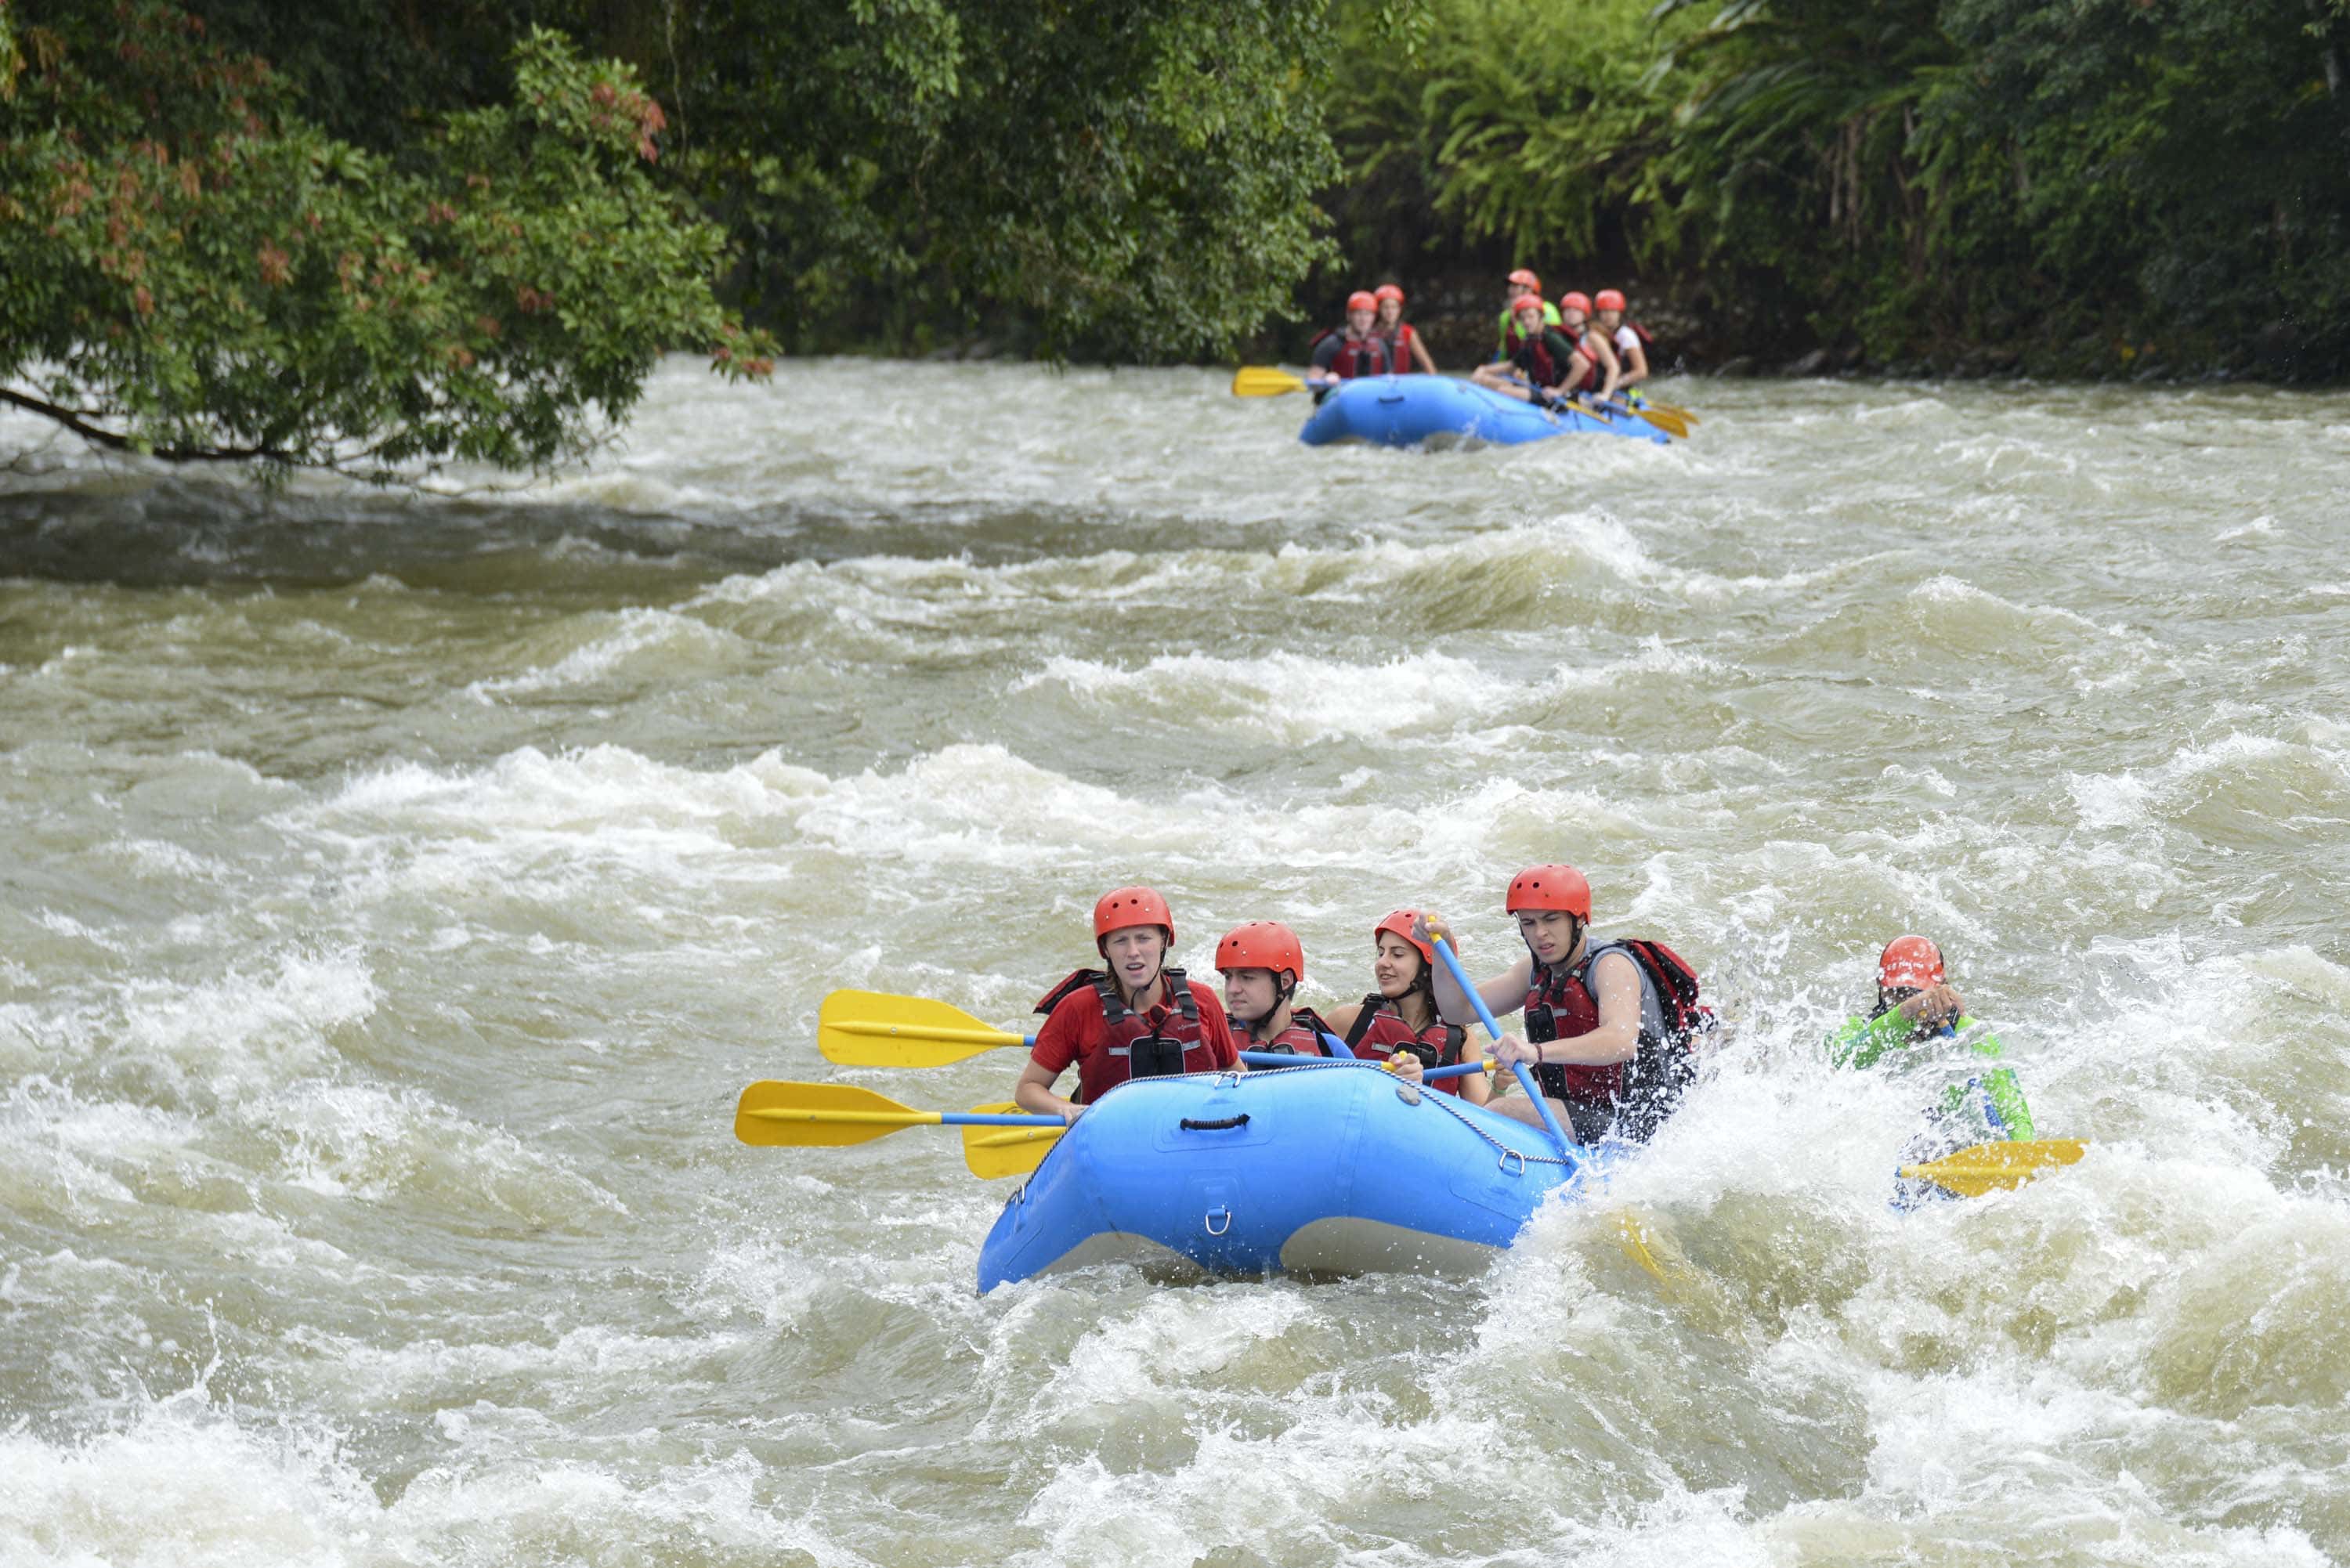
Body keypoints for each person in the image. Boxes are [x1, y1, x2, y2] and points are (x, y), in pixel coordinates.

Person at [1424, 865, 1704, 1143]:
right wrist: (1441, 949)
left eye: (1551, 919)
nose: (1540, 934)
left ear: (1579, 920)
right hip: (1584, 1115)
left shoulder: (1612, 965)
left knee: (1500, 1110)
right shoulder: (1535, 972)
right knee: (1498, 1111)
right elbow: (1457, 1010)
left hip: (1641, 1120)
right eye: (1529, 923)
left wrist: (1535, 1052)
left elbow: (1621, 1040)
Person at [1014, 886, 1241, 1124]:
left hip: (1195, 1136)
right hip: (1114, 1141)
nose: (1133, 952)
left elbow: (1238, 1079)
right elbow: (1028, 1089)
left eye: (1144, 938)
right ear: (1106, 950)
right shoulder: (1077, 1008)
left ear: (1164, 941)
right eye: (1121, 941)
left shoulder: (1202, 1000)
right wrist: (1066, 1109)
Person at [1827, 936, 2036, 1142]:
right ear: (1881, 988)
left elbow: (2015, 1117)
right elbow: (1846, 1063)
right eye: (1898, 994)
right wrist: (1904, 1013)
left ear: (1942, 988)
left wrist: (2024, 1158)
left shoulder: (1970, 1035)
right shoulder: (1855, 1030)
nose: (1911, 1003)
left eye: (1917, 993)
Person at [1322, 911, 1490, 1103]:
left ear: (1428, 969)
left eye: (1397, 954)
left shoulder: (1461, 1039)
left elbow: (1484, 1115)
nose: (1382, 963)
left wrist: (1500, 1087)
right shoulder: (1347, 1021)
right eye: (1381, 953)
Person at [1216, 920, 1341, 1056]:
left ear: (1285, 981)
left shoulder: (1327, 1047)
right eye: (1228, 977)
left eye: (1247, 978)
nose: (1232, 989)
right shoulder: (1213, 1041)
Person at [1471, 296, 1592, 404]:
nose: (1527, 322)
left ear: (1541, 316)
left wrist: (1560, 391)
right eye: (1522, 318)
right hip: (1539, 389)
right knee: (1486, 380)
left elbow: (1582, 364)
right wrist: (1484, 369)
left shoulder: (1551, 338)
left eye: (1531, 316)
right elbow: (1511, 366)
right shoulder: (1530, 340)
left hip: (1559, 397)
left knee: (1505, 391)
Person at [1308, 291, 1396, 388]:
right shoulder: (1331, 344)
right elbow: (1313, 383)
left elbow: (1390, 380)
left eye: (1368, 314)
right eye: (1358, 313)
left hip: (1371, 400)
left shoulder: (1380, 345)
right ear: (1349, 315)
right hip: (1339, 398)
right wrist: (1325, 379)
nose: (1363, 319)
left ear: (1373, 318)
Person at [1555, 291, 1623, 405]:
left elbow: (1613, 367)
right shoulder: (1560, 336)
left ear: (1584, 314)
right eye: (1567, 310)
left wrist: (1605, 394)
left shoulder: (1593, 337)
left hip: (1592, 394)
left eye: (1576, 310)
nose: (1571, 314)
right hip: (1572, 390)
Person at [1593, 289, 1653, 400]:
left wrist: (1617, 383)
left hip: (1625, 389)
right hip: (1605, 385)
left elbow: (1641, 371)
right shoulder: (1596, 333)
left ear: (1619, 313)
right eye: (1605, 311)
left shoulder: (1626, 335)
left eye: (1613, 311)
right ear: (1599, 313)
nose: (1608, 316)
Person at [1373, 284, 1439, 375]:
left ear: (1399, 309)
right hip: (1377, 383)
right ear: (1378, 309)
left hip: (1402, 383)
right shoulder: (1371, 331)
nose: (1390, 312)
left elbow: (1426, 363)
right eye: (1386, 307)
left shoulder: (1408, 332)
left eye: (1394, 307)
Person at [1494, 268, 1561, 356]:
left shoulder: (1547, 309)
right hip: (1517, 363)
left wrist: (1516, 322)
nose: (1510, 290)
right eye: (1510, 286)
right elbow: (1504, 349)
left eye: (1515, 286)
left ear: (1529, 290)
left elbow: (1541, 342)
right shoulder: (1505, 316)